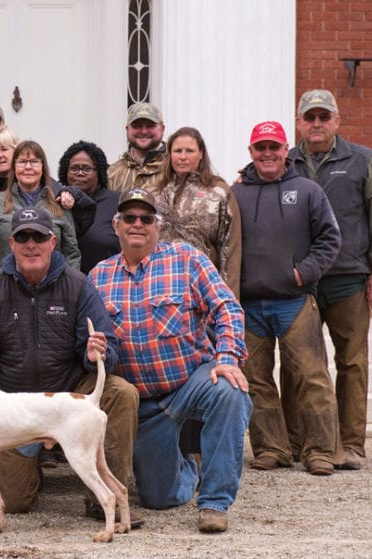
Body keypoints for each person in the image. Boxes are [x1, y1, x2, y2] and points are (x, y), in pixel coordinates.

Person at [0, 207, 143, 529]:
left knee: (121, 393)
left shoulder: (79, 285)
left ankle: (104, 499)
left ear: (53, 242)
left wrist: (95, 354)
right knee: (14, 502)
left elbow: (109, 348)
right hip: (13, 406)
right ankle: (32, 465)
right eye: (23, 237)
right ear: (11, 244)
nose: (31, 244)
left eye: (38, 236)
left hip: (67, 396)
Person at [88, 189, 251, 533]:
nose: (137, 224)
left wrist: (227, 357)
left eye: (146, 218)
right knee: (160, 497)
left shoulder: (187, 259)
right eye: (129, 218)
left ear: (158, 226)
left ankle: (215, 502)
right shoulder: (98, 276)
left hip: (191, 382)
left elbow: (227, 307)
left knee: (230, 390)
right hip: (144, 407)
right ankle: (188, 467)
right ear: (116, 225)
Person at [288, 89, 372, 471]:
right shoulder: (285, 162)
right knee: (298, 364)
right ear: (299, 122)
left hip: (348, 278)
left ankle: (351, 444)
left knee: (352, 363)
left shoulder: (361, 160)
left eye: (324, 116)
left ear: (337, 120)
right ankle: (299, 442)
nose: (316, 124)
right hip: (300, 281)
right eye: (310, 117)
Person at [232, 121, 342, 476]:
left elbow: (329, 240)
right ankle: (272, 448)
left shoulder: (308, 190)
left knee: (312, 377)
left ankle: (321, 451)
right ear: (251, 152)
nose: (267, 153)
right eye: (260, 147)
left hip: (294, 301)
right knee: (255, 380)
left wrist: (302, 273)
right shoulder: (236, 194)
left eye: (273, 147)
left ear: (285, 151)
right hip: (249, 305)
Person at [151, 127, 242, 296]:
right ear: (169, 155)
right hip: (160, 286)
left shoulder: (218, 192)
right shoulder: (155, 193)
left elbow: (229, 249)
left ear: (201, 154)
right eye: (178, 151)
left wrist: (229, 296)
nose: (183, 157)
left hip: (203, 287)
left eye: (189, 151)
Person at [0, 140, 81, 273]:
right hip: (6, 281)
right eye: (22, 162)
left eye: (34, 161)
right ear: (14, 167)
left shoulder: (59, 204)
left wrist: (69, 283)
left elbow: (71, 254)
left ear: (42, 167)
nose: (28, 167)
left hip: (52, 283)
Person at [57, 140, 119, 273]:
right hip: (63, 282)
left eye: (87, 169)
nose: (80, 173)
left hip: (107, 280)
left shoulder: (116, 202)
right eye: (74, 168)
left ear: (99, 173)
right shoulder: (56, 202)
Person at [107, 102, 166, 193]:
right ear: (127, 129)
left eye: (150, 126)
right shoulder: (112, 173)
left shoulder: (175, 168)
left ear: (162, 129)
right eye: (136, 126)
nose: (143, 131)